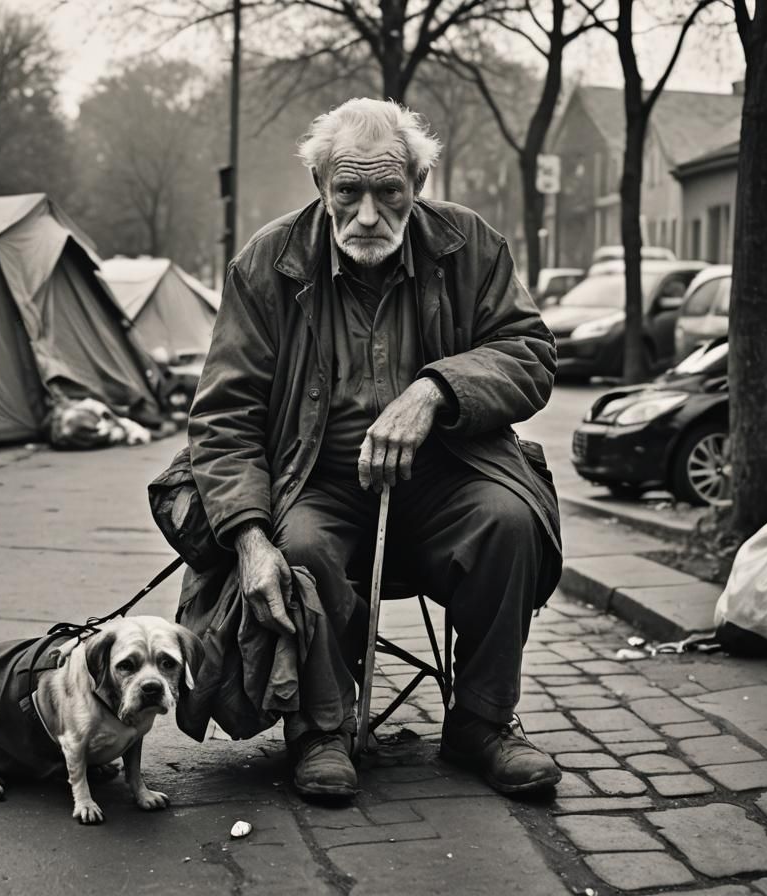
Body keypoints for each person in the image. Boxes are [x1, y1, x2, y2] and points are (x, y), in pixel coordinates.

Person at [186, 97, 562, 801]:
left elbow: (531, 353)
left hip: (450, 476)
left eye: (388, 192)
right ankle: (321, 732)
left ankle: (482, 722)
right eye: (348, 193)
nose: (367, 215)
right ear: (321, 188)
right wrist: (247, 537)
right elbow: (224, 415)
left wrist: (434, 392)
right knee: (297, 549)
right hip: (316, 483)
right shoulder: (268, 263)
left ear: (416, 185)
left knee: (508, 522)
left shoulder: (469, 244)